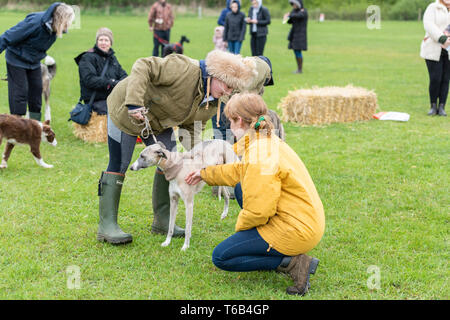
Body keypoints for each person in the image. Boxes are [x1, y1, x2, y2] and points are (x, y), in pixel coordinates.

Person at [97, 50, 267, 245]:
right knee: (120, 163)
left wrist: (202, 161)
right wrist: (134, 103)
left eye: (232, 89)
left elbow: (192, 131)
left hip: (159, 122)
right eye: (228, 86)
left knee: (170, 161)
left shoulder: (212, 101)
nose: (228, 93)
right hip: (125, 109)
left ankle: (162, 221)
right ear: (215, 76)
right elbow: (143, 65)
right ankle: (107, 226)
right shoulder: (183, 68)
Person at [185, 93, 325, 296]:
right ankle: (273, 246)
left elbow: (261, 210)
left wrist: (242, 232)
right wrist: (205, 174)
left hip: (297, 230)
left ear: (239, 120)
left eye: (230, 121)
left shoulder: (259, 152)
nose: (229, 127)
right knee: (242, 188)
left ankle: (293, 262)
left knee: (222, 257)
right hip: (306, 220)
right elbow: (240, 170)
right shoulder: (263, 138)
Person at [0, 2, 75, 121]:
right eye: (68, 21)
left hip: (34, 62)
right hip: (16, 59)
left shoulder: (54, 29)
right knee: (19, 94)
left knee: (36, 96)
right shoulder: (35, 23)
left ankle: (34, 127)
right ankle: (16, 127)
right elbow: (7, 37)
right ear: (60, 19)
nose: (69, 25)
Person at [74, 27, 128, 115]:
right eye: (101, 40)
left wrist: (123, 83)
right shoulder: (87, 57)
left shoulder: (112, 59)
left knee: (131, 111)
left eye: (106, 40)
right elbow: (89, 80)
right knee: (115, 115)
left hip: (111, 98)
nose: (103, 43)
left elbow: (123, 75)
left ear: (110, 43)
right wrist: (111, 82)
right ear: (97, 41)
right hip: (96, 101)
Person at [421, 0, 450, 116]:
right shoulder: (433, 7)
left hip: (449, 50)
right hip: (434, 47)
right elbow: (429, 25)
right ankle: (433, 106)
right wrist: (442, 38)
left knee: (445, 79)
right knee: (435, 78)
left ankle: (442, 106)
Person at [283, 0, 308, 74]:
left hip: (300, 35)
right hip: (294, 34)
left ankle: (300, 70)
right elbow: (290, 21)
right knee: (296, 51)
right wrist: (288, 17)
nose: (293, 6)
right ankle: (298, 69)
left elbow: (299, 15)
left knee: (298, 51)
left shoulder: (303, 11)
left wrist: (289, 15)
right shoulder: (294, 11)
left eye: (294, 4)